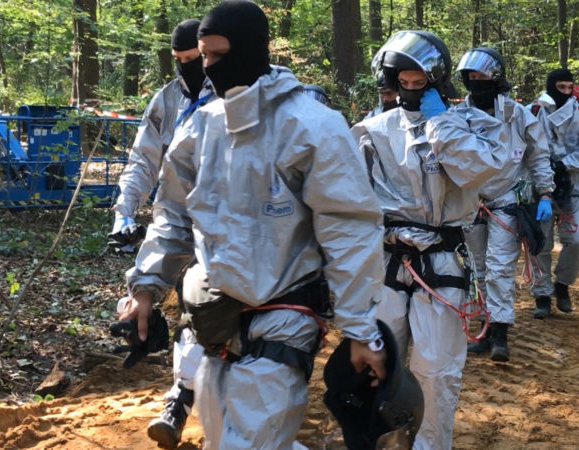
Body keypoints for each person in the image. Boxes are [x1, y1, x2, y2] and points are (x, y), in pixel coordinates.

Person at [119, 2, 388, 449]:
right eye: (202, 56)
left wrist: (360, 328)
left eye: (217, 55)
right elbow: (172, 215)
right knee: (224, 437)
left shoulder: (312, 126)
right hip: (212, 318)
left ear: (251, 50)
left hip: (286, 314)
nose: (207, 68)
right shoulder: (200, 128)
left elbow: (351, 231)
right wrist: (145, 287)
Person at [352, 30, 506, 449]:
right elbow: (348, 198)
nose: (411, 84)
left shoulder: (472, 125)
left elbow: (478, 171)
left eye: (420, 77)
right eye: (403, 77)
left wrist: (441, 123)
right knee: (375, 362)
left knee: (435, 370)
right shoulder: (372, 130)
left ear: (436, 77)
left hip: (441, 262)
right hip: (385, 259)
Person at [451, 47, 554, 362]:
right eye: (472, 75)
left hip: (508, 199)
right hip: (469, 202)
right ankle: (484, 329)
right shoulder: (456, 117)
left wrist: (545, 192)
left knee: (499, 268)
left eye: (482, 75)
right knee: (477, 269)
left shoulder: (517, 114)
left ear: (496, 77)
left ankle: (500, 334)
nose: (476, 80)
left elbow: (538, 154)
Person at [109, 19, 213, 254]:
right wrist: (124, 212)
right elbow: (143, 159)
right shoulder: (165, 101)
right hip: (178, 221)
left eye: (192, 58)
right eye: (178, 60)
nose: (185, 65)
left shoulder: (229, 94)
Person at [529, 68, 579, 318]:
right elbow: (520, 146)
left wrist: (563, 165)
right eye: (561, 88)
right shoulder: (532, 111)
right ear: (551, 86)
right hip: (538, 188)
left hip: (571, 187)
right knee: (539, 244)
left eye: (570, 88)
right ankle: (541, 295)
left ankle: (562, 284)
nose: (566, 93)